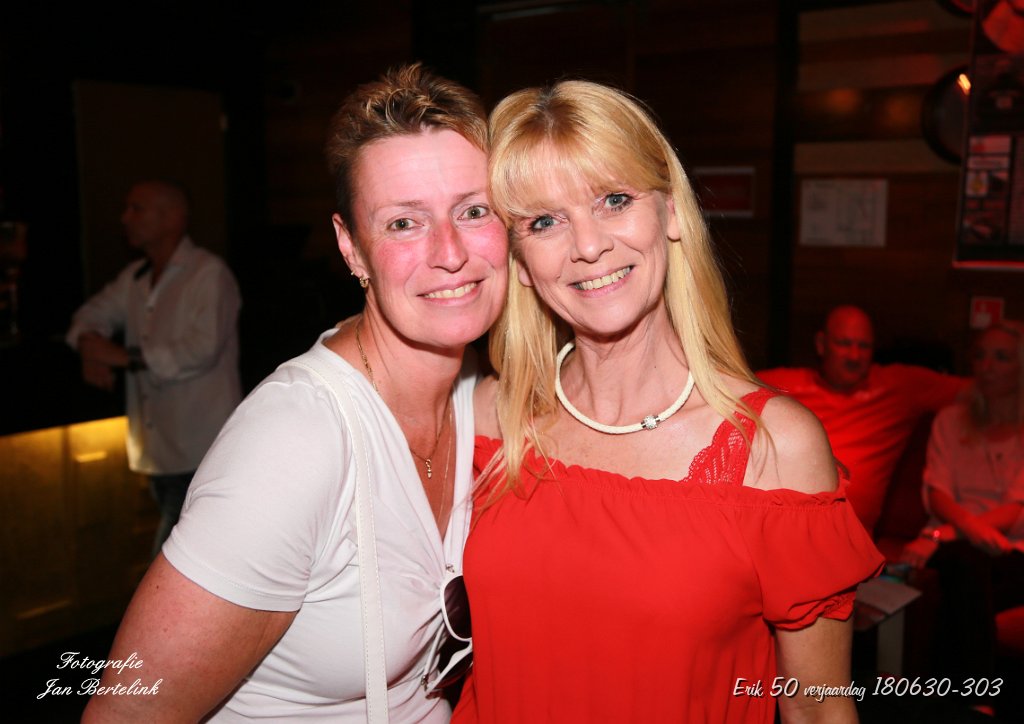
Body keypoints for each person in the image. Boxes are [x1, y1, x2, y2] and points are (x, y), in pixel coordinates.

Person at [81, 63, 508, 722]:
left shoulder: (470, 384)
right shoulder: (295, 443)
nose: (449, 252)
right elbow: (123, 714)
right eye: (403, 223)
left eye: (473, 211)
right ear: (351, 247)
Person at [452, 80, 882, 723]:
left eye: (614, 200)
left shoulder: (773, 449)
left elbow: (818, 710)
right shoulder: (490, 418)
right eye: (544, 221)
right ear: (518, 262)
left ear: (672, 212)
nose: (588, 245)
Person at [66, 179, 242, 558]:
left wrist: (123, 356)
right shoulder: (136, 278)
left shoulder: (208, 273)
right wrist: (90, 348)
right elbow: (88, 317)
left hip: (202, 446)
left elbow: (201, 349)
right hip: (159, 448)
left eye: (136, 209)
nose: (124, 218)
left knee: (173, 561)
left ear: (172, 218)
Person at [758, 305, 967, 534]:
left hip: (852, 538)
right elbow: (730, 389)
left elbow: (981, 391)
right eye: (844, 344)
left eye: (864, 346)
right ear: (821, 344)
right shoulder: (784, 385)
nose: (854, 356)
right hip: (785, 527)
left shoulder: (899, 387)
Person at [900, 320, 1024, 700]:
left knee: (966, 583)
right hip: (959, 552)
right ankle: (978, 701)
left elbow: (1015, 509)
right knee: (967, 567)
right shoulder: (950, 420)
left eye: (1001, 357)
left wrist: (944, 534)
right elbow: (937, 493)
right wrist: (963, 532)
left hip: (1009, 550)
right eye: (980, 355)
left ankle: (947, 699)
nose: (987, 366)